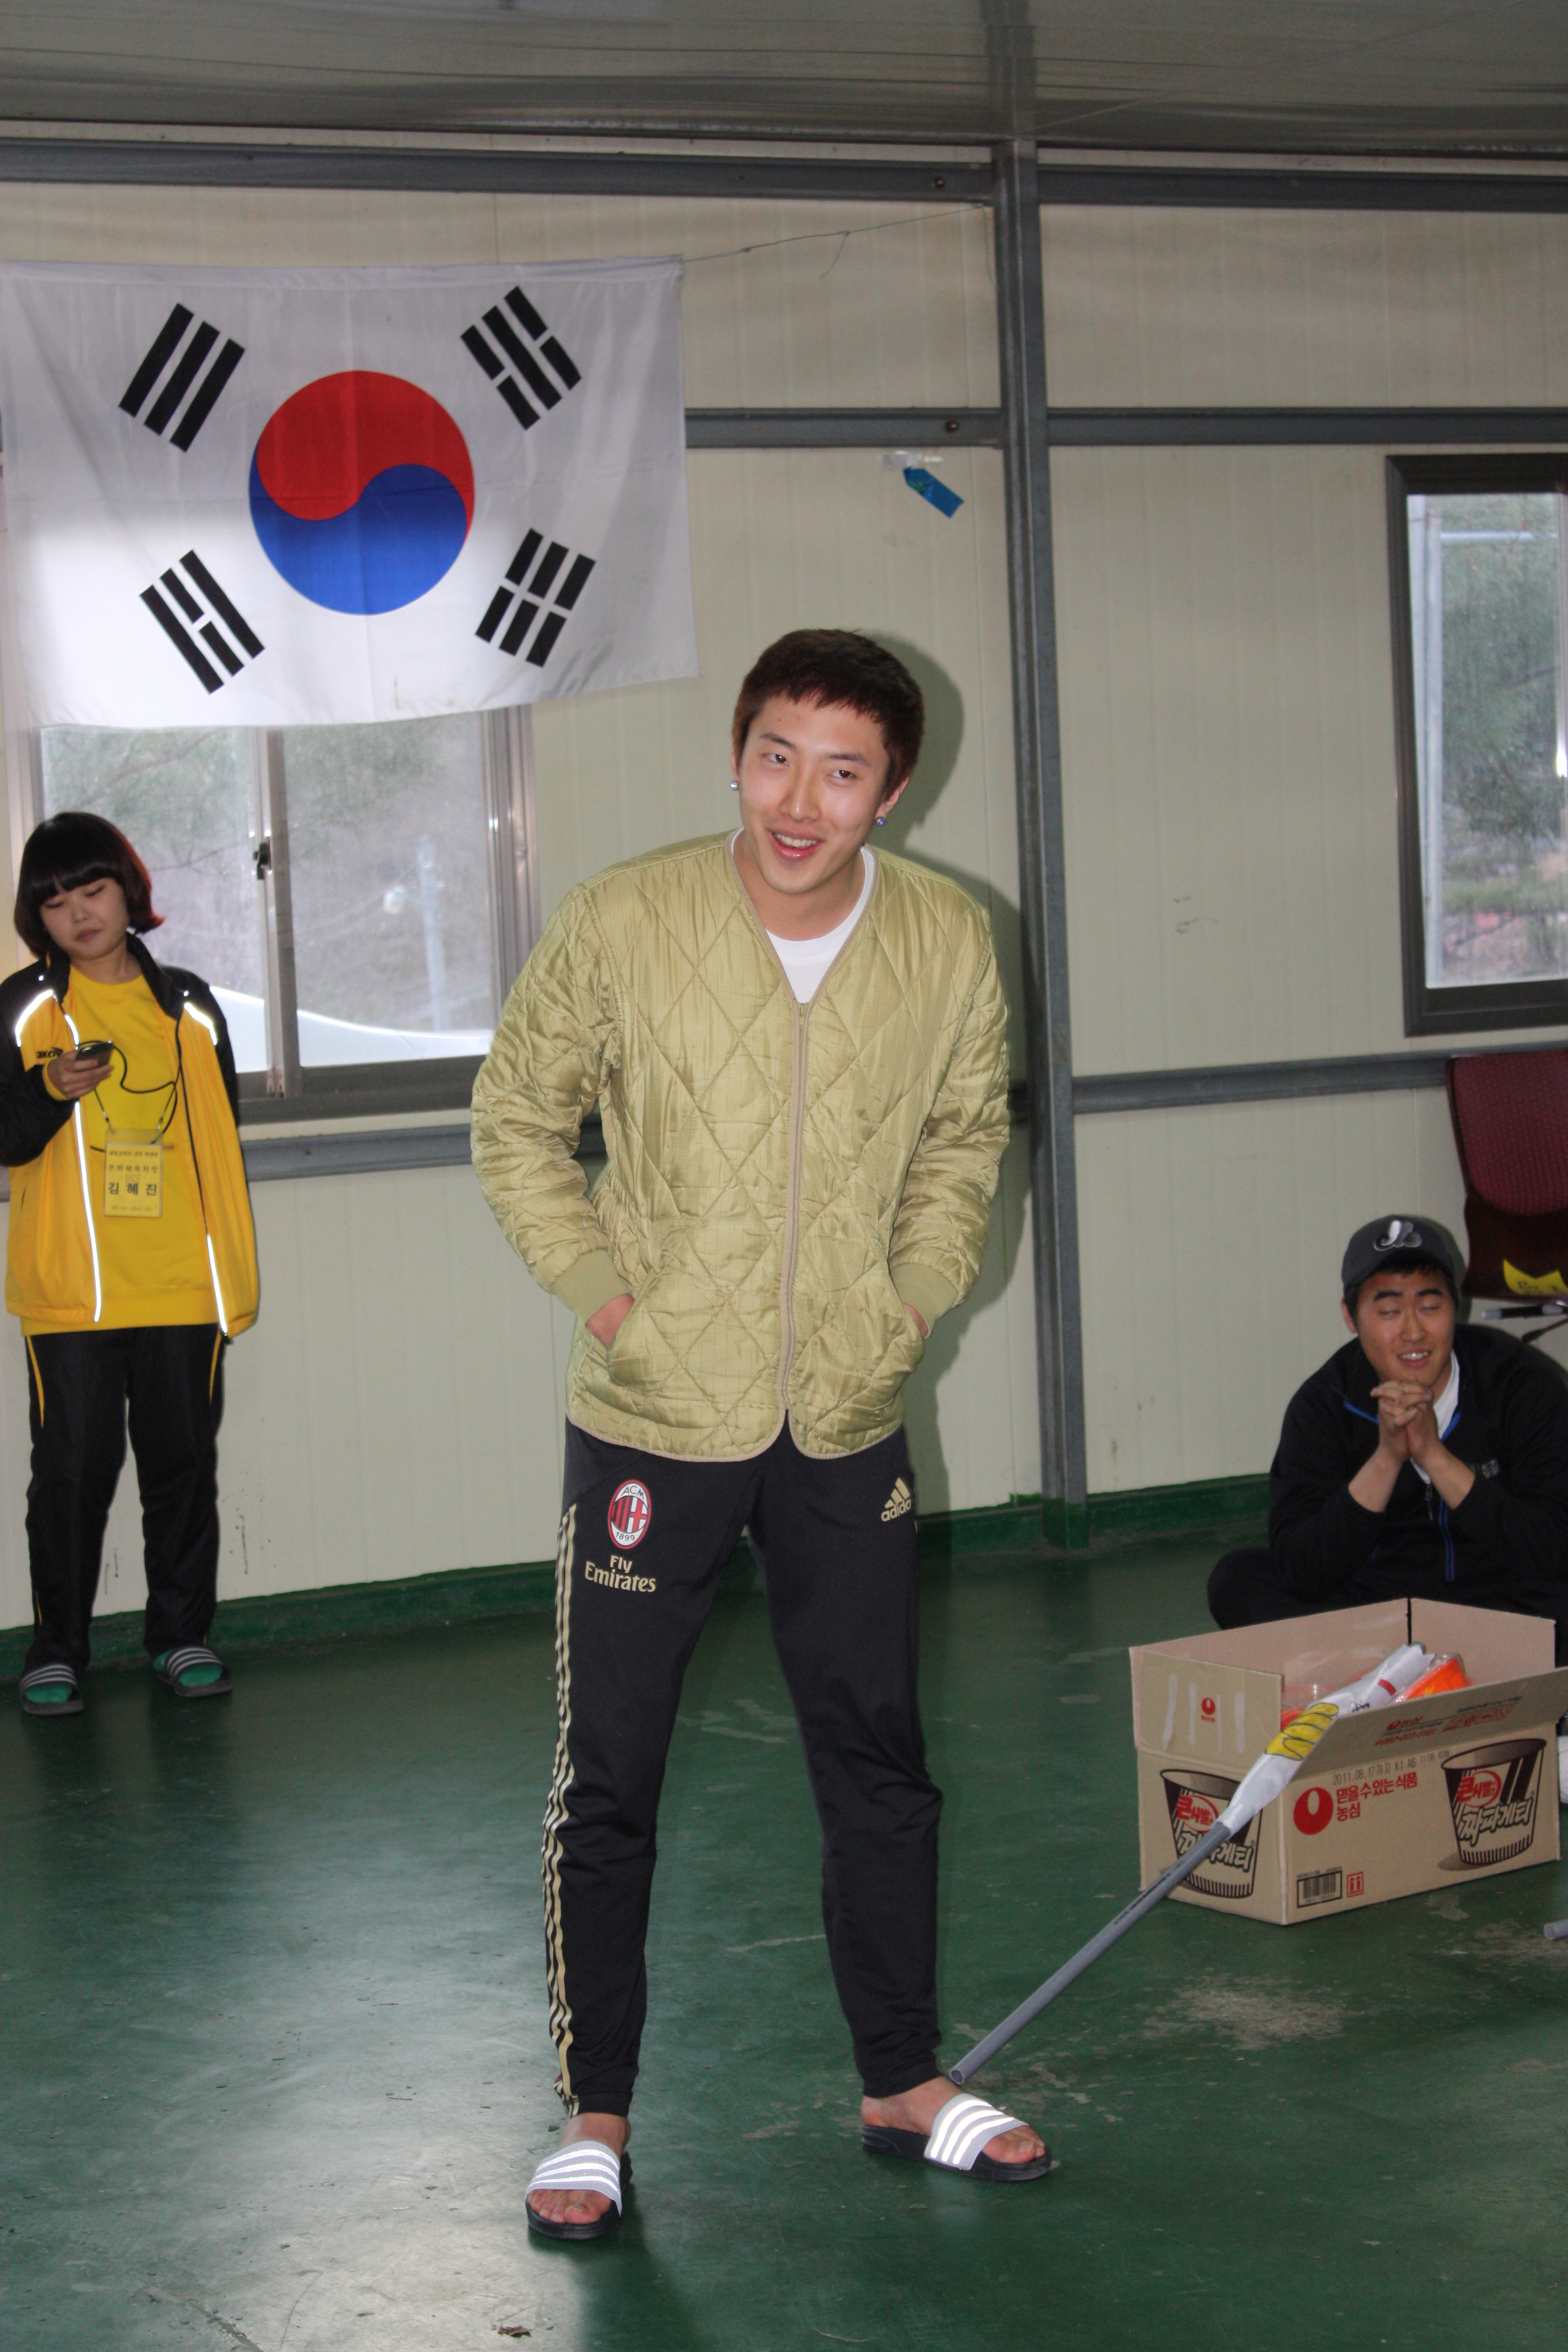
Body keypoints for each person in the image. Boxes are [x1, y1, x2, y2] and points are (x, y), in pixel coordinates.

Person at [472, 628, 1050, 2240]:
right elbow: (515, 1120)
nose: (800, 801)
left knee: (878, 1758)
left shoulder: (944, 935)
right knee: (610, 1772)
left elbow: (964, 1139)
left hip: (846, 1412)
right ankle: (595, 2112)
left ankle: (901, 2078)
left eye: (842, 770)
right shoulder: (625, 916)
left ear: (892, 789)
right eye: (776, 756)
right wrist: (610, 1302)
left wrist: (910, 1304)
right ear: (736, 755)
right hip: (652, 1414)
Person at [1, 813, 259, 1718]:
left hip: (183, 1284)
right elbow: (3, 1135)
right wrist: (46, 1091)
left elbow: (218, 1128)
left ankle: (180, 1635)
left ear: (129, 892)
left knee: (181, 1466)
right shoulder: (22, 1007)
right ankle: (57, 1650)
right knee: (71, 1473)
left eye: (94, 890)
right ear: (37, 917)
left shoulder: (189, 1004)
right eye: (55, 902)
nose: (79, 914)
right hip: (73, 1295)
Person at [1208, 1213, 1568, 1802]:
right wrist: (1387, 1457)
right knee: (1238, 1580)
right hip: (1383, 1622)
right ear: (1350, 1317)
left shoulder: (1522, 1384)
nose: (1412, 1332)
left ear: (1456, 1307)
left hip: (1501, 1607)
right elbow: (1303, 1567)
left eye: (1430, 1306)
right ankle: (1428, 1706)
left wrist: (1435, 1456)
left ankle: (1397, 1715)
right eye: (1388, 1309)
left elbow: (1549, 1548)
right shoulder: (1323, 1404)